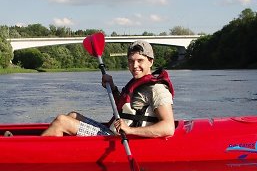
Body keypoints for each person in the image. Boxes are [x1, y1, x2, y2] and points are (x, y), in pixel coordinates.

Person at [41, 40, 175, 138]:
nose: (134, 65)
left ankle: (35, 152)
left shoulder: (157, 89)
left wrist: (129, 130)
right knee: (72, 116)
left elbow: (168, 127)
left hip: (122, 138)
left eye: (140, 60)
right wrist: (113, 88)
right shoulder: (137, 82)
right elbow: (125, 109)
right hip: (114, 132)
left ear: (150, 61)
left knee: (61, 122)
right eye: (130, 61)